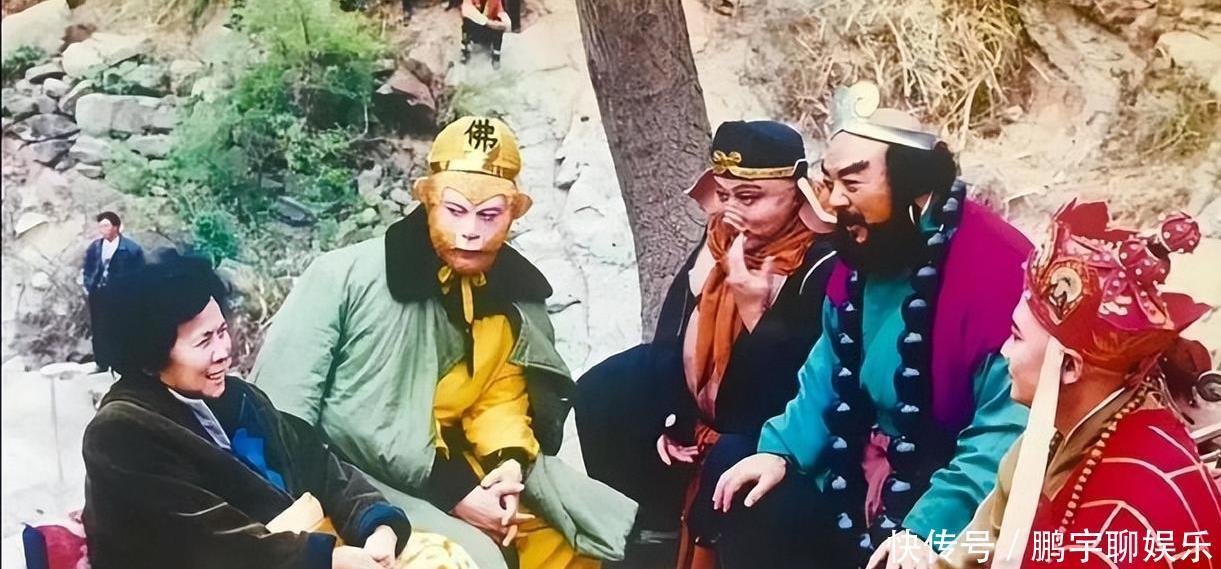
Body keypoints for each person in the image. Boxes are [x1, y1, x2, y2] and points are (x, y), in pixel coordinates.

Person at [250, 116, 638, 569]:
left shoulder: (509, 296)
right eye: (455, 211)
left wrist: (508, 467)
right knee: (472, 561)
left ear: (514, 214)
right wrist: (456, 494)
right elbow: (281, 411)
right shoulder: (341, 277)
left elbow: (498, 397)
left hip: (462, 466)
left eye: (489, 215)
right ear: (428, 200)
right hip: (352, 481)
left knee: (572, 537)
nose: (470, 230)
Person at [711, 81, 1032, 568]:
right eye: (830, 182)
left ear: (913, 185)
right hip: (855, 471)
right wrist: (781, 451)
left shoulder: (996, 266)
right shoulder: (866, 249)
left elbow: (1004, 430)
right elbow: (827, 371)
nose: (835, 201)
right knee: (752, 496)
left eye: (853, 182)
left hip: (947, 486)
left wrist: (928, 529)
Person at [868, 202, 1221, 569]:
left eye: (1016, 337)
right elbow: (981, 548)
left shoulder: (1130, 507)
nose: (1004, 351)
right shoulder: (1047, 438)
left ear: (1069, 367)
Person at [574, 120, 839, 568]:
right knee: (604, 390)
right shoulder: (721, 232)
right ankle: (646, 530)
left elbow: (798, 383)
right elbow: (676, 323)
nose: (731, 211)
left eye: (749, 198)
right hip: (704, 390)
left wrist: (755, 313)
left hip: (768, 415)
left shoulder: (822, 262)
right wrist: (673, 413)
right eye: (725, 194)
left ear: (797, 193)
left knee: (735, 458)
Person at [81, 254, 417, 569]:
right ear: (151, 357)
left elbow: (320, 466)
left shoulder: (241, 397)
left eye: (222, 332)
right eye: (204, 341)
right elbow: (205, 542)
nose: (222, 352)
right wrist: (326, 559)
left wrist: (379, 527)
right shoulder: (121, 432)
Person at [82, 211, 145, 372]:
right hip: (99, 293)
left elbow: (140, 273)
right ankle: (102, 362)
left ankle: (122, 363)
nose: (102, 229)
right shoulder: (95, 247)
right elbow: (88, 268)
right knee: (99, 328)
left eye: (106, 225)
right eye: (100, 226)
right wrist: (88, 285)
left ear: (116, 227)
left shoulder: (131, 249)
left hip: (121, 296)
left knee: (122, 327)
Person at [461, 0, 511, 69]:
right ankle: (465, 50)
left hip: (488, 30)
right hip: (476, 27)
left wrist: (505, 23)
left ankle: (496, 55)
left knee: (499, 24)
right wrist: (488, 22)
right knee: (466, 22)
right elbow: (467, 10)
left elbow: (500, 12)